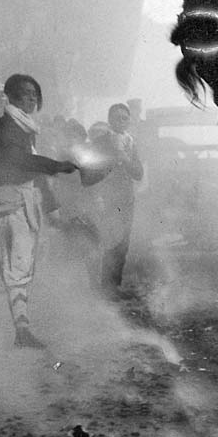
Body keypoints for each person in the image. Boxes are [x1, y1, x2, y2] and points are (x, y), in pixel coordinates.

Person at [0, 74, 76, 348]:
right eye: (25, 93)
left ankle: (12, 325)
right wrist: (56, 165)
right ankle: (20, 330)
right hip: (7, 202)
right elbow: (20, 161)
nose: (32, 98)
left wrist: (52, 206)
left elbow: (33, 171)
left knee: (18, 266)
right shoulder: (3, 127)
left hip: (23, 201)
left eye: (35, 94)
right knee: (16, 267)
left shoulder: (25, 129)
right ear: (10, 97)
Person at [95, 103, 143, 297]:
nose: (121, 121)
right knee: (110, 240)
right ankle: (106, 286)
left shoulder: (131, 143)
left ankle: (114, 284)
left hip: (126, 198)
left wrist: (125, 158)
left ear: (129, 121)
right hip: (108, 198)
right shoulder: (101, 142)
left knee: (123, 242)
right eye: (117, 118)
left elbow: (138, 173)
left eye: (124, 118)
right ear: (110, 120)